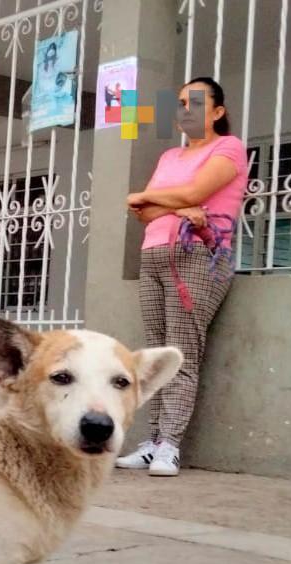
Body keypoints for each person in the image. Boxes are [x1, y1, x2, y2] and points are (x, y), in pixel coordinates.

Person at [118, 77, 247, 477]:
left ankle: (170, 445)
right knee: (156, 354)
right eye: (178, 103)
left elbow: (184, 195)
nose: (184, 111)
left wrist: (161, 199)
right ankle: (153, 440)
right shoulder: (169, 157)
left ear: (217, 112)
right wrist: (174, 203)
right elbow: (141, 211)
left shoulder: (230, 147)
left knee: (182, 351)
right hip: (153, 254)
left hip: (198, 254)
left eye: (194, 102)